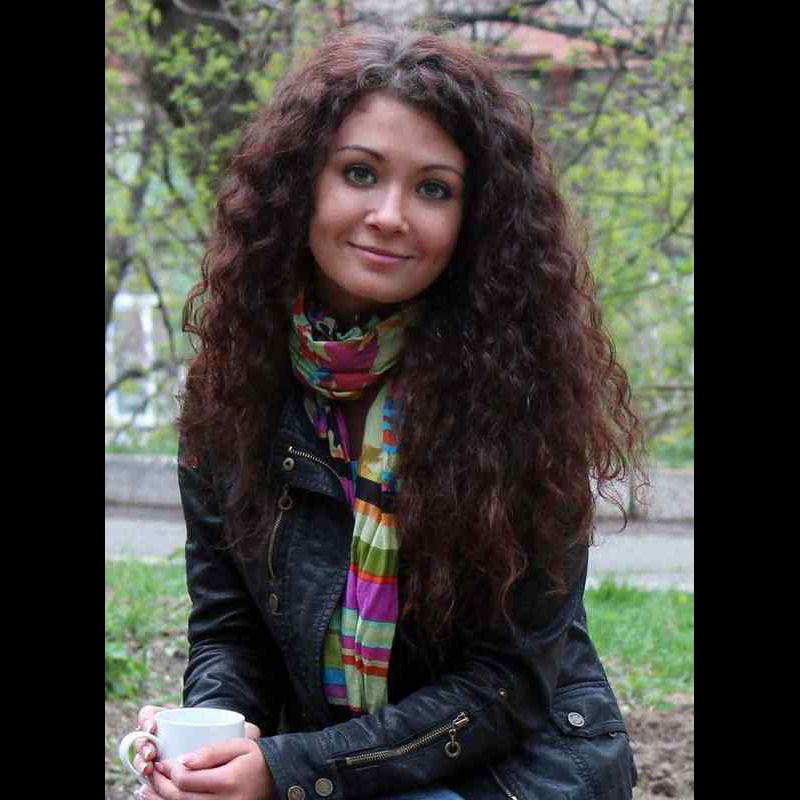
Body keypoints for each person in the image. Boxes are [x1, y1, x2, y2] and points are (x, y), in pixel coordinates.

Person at [131, 25, 646, 800]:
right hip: (329, 765)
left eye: (434, 188)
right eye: (360, 173)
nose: (390, 214)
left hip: (510, 773)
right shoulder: (231, 389)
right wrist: (210, 741)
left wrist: (295, 770)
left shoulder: (523, 395)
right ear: (301, 184)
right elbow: (230, 632)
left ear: (474, 218)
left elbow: (505, 685)